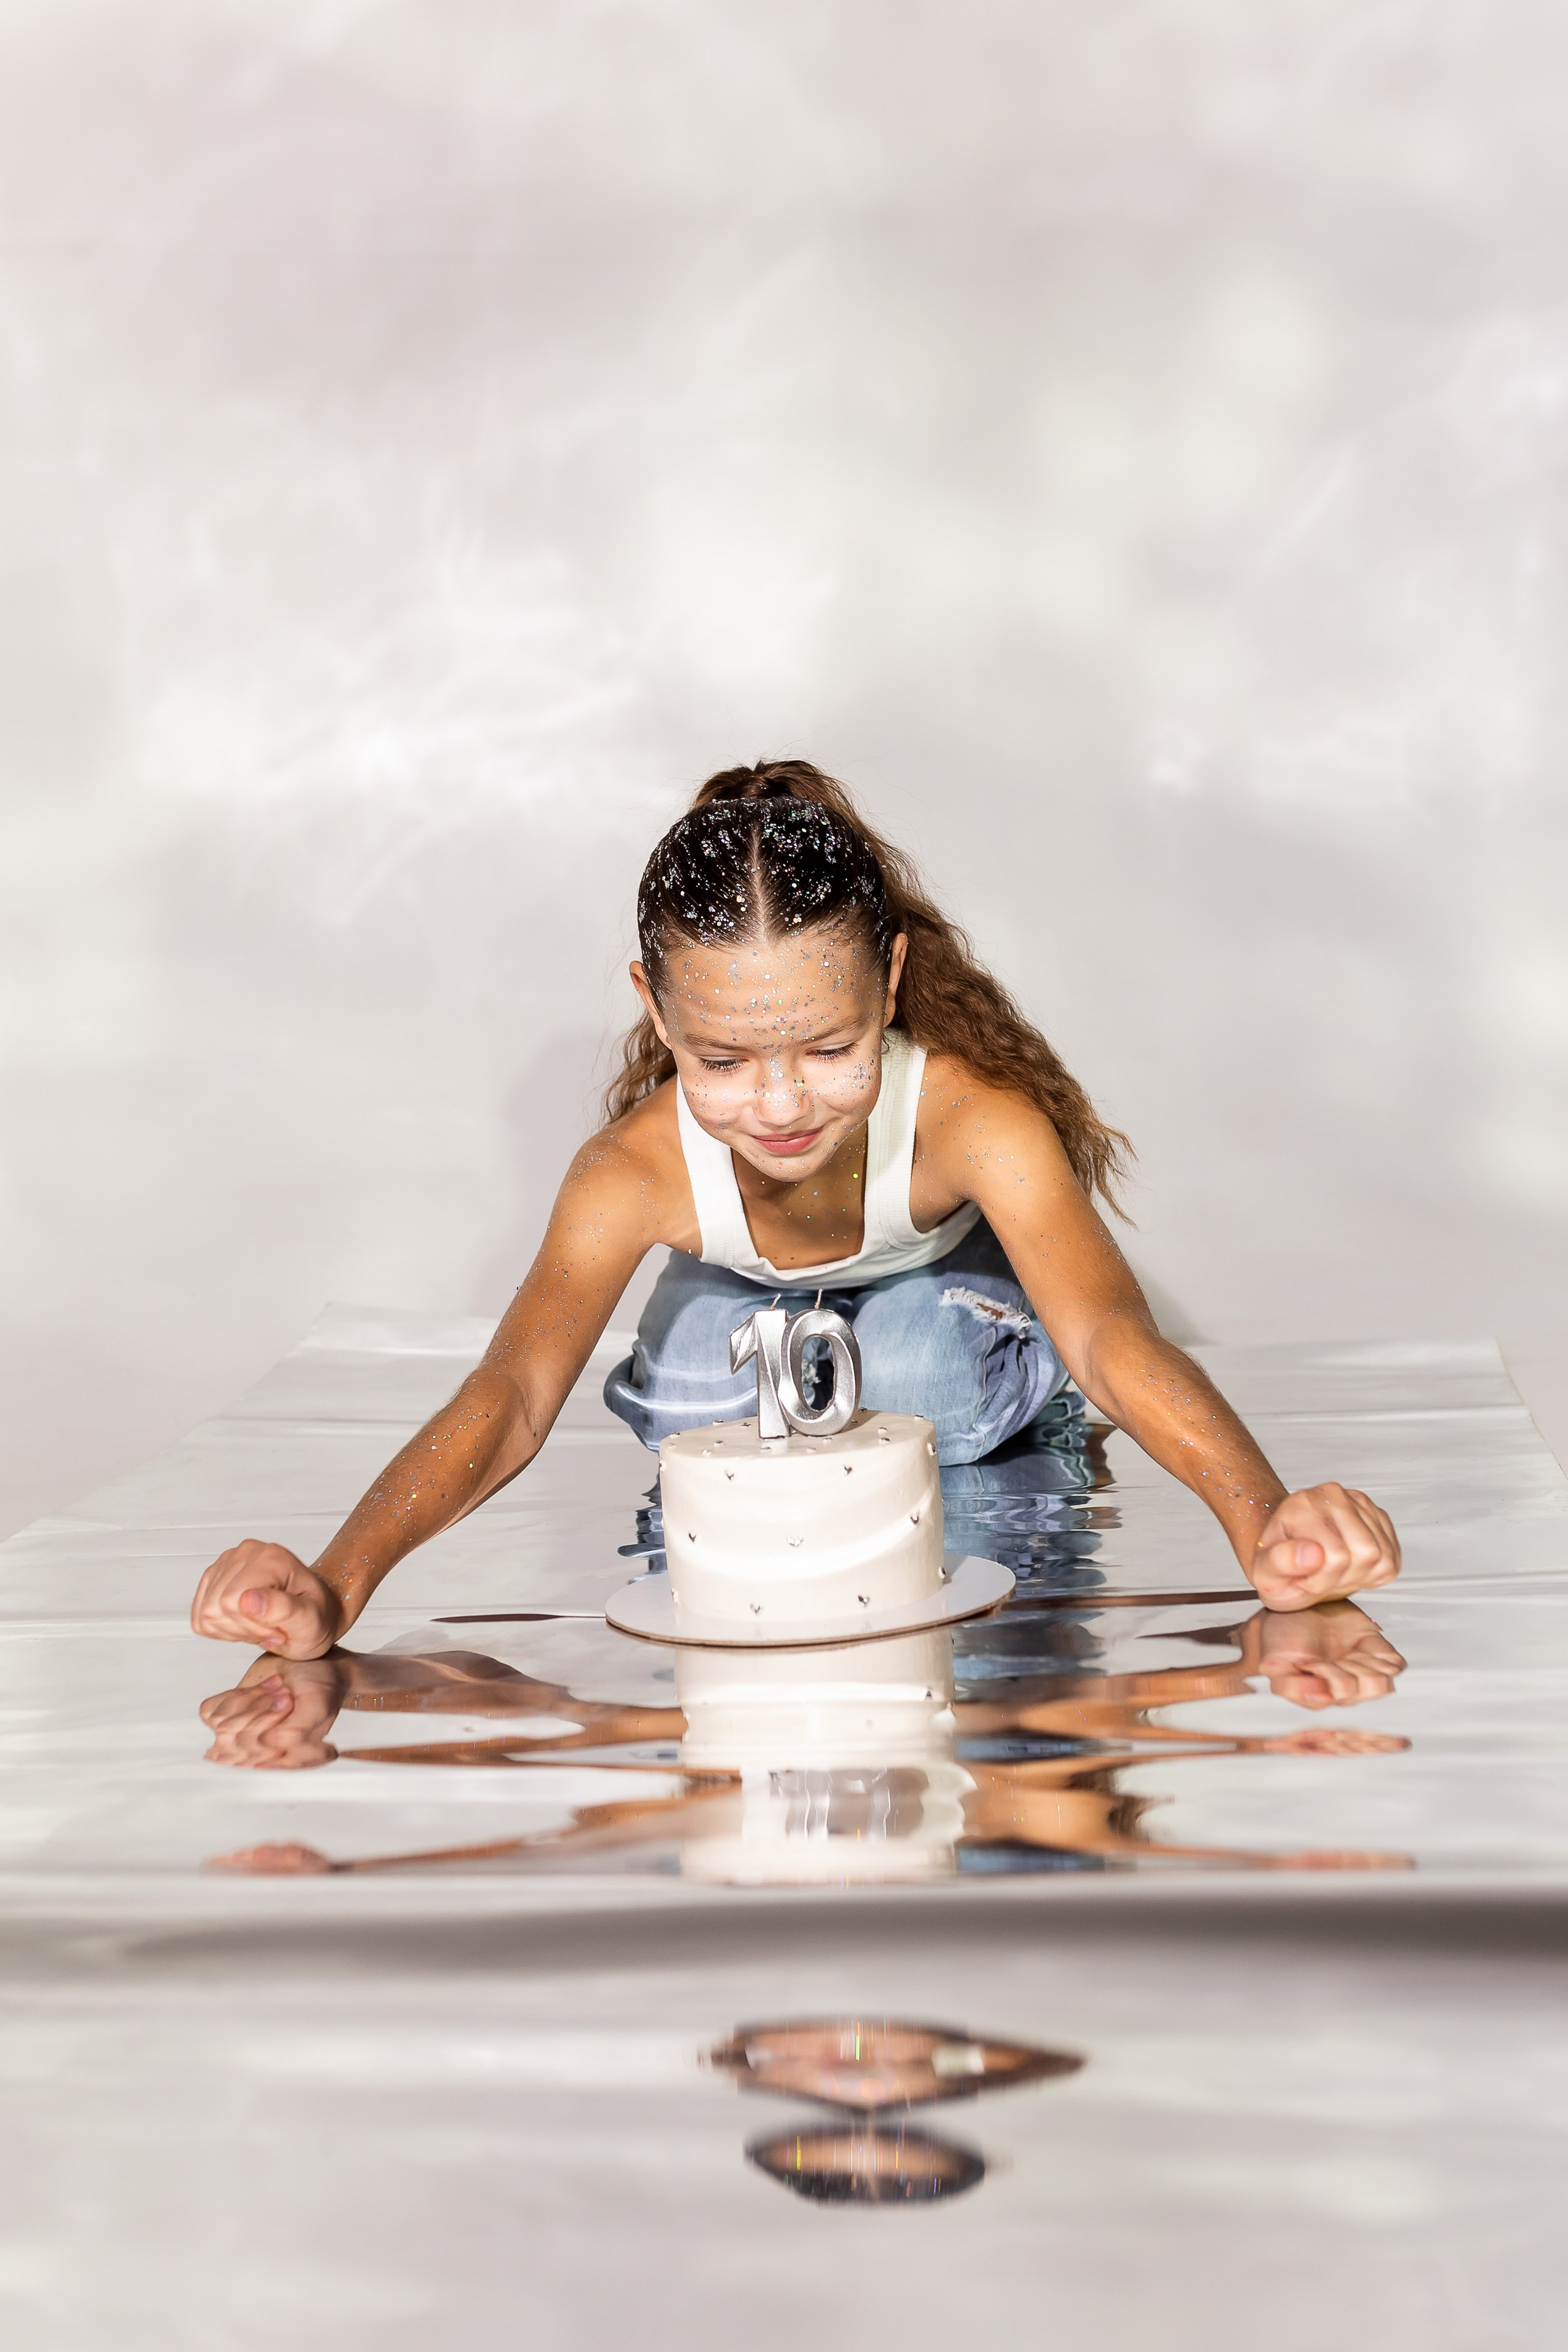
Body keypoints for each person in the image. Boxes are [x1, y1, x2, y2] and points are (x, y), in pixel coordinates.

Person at [190, 760, 1400, 1662]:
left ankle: (971, 1388)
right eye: (720, 1060)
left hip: (945, 1302)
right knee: (708, 1395)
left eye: (825, 1049)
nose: (775, 1106)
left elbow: (1106, 1334)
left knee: (918, 1372)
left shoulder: (973, 1120)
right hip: (742, 1310)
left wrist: (1263, 1523)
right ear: (655, 1013)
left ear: (885, 983)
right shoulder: (631, 1170)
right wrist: (335, 1585)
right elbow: (508, 1397)